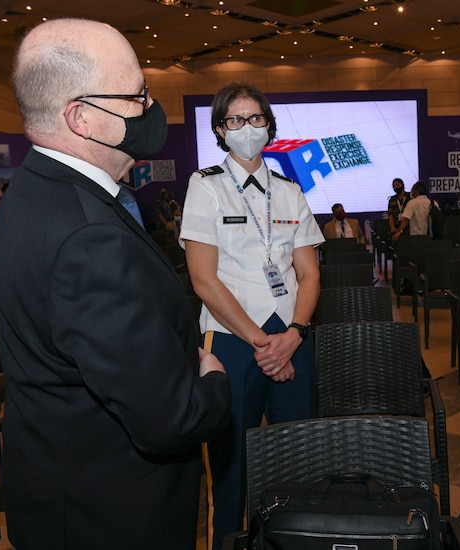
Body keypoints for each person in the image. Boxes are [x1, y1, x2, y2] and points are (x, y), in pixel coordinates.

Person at [0, 18, 232, 549]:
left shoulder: (36, 187)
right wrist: (213, 381)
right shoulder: (87, 237)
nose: (150, 108)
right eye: (136, 95)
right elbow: (170, 419)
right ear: (80, 117)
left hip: (63, 486)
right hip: (110, 516)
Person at [180, 81, 324, 546]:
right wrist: (261, 343)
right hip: (230, 341)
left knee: (296, 459)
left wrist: (295, 333)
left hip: (291, 339)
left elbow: (309, 274)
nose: (247, 128)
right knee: (230, 468)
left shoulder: (288, 190)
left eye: (256, 118)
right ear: (221, 131)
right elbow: (203, 279)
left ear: (269, 125)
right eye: (235, 120)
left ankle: (290, 538)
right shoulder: (205, 187)